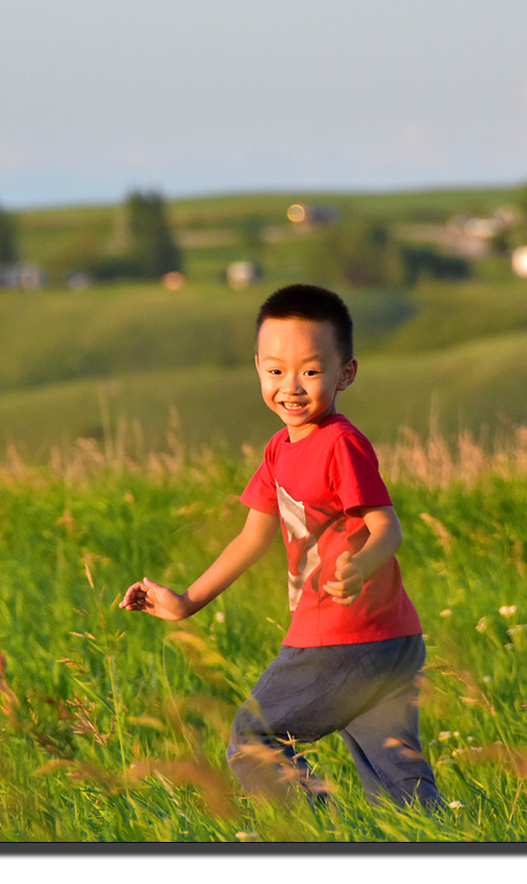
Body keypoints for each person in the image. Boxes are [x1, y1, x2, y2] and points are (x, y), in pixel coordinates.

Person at [119, 283, 440, 809]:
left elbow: (388, 528)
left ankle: (314, 834)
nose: (290, 386)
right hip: (390, 640)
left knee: (253, 741)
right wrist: (185, 602)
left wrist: (359, 566)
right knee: (399, 788)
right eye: (274, 371)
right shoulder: (279, 449)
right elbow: (252, 536)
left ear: (346, 373)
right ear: (257, 369)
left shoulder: (341, 443)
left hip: (340, 638)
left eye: (311, 371)